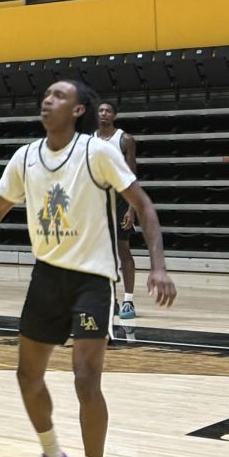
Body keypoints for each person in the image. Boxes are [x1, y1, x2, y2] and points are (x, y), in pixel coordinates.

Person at [0, 80, 178, 457]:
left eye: (59, 96)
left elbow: (144, 205)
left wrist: (158, 266)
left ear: (79, 110)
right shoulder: (25, 157)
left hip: (91, 280)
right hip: (46, 277)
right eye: (46, 94)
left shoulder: (97, 152)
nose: (48, 99)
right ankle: (53, 456)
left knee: (85, 378)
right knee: (27, 375)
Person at [95, 101, 139, 320]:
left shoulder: (125, 139)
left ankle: (128, 301)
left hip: (121, 199)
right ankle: (109, 299)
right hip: (97, 199)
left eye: (108, 110)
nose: (104, 113)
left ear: (114, 115)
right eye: (101, 110)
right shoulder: (89, 140)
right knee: (101, 253)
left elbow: (132, 177)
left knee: (123, 249)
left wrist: (131, 209)